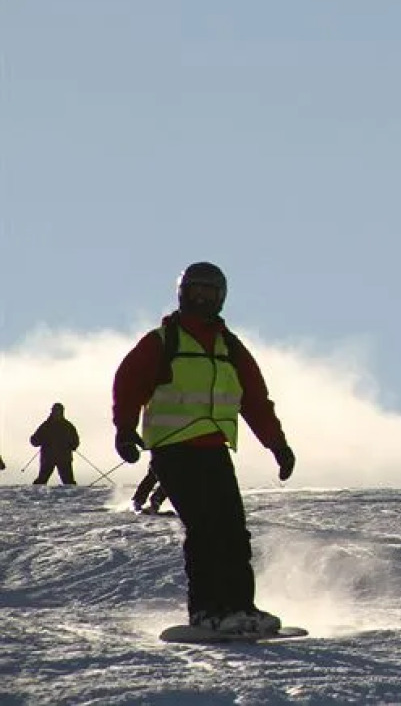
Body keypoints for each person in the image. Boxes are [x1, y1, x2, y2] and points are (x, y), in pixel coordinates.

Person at [112, 261, 296, 636]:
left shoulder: (229, 346)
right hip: (174, 449)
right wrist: (125, 430)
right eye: (196, 290)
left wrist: (277, 444)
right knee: (205, 528)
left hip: (214, 448)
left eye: (210, 292)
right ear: (182, 293)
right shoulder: (164, 342)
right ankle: (208, 611)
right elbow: (128, 383)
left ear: (221, 297)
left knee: (233, 530)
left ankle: (241, 608)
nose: (202, 298)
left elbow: (256, 400)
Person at [30, 403, 79, 485]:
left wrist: (73, 445)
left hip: (62, 457)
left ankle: (72, 496)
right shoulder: (47, 425)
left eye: (58, 411)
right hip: (49, 457)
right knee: (42, 480)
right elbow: (35, 440)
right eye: (55, 411)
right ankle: (35, 495)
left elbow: (75, 440)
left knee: (68, 481)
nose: (57, 413)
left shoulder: (67, 426)